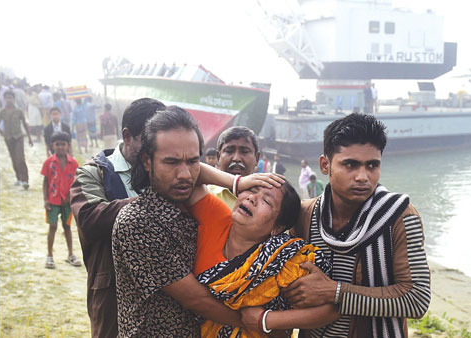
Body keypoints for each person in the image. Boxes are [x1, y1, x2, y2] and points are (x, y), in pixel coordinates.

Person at [268, 113, 431, 338]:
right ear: (325, 165)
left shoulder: (399, 216)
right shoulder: (304, 215)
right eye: (350, 165)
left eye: (372, 165)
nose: (363, 176)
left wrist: (335, 292)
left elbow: (417, 300)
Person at [113, 106, 245, 337]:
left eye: (192, 161)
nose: (184, 174)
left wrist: (236, 184)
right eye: (171, 162)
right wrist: (263, 323)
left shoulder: (192, 203)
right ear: (147, 161)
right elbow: (196, 300)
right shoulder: (137, 222)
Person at [188, 177, 338, 337]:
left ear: (277, 228)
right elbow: (189, 174)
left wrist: (266, 320)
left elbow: (332, 310)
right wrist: (237, 182)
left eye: (266, 201)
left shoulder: (283, 257)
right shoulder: (216, 219)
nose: (252, 198)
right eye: (251, 190)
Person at [70, 98, 166, 338]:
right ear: (127, 135)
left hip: (163, 294)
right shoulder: (94, 173)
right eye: (148, 144)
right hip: (112, 294)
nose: (153, 153)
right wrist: (153, 203)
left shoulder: (164, 173)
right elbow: (90, 220)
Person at [41, 131, 82, 269]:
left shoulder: (74, 163)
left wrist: (71, 197)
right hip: (53, 200)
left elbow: (77, 183)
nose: (60, 147)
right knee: (52, 226)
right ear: (52, 145)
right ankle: (50, 255)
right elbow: (46, 181)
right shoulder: (49, 162)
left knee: (67, 227)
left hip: (67, 202)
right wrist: (46, 199)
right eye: (57, 144)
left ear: (68, 145)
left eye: (63, 144)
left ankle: (70, 254)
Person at [209, 126, 261, 209]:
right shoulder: (205, 195)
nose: (236, 158)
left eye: (245, 152)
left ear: (257, 158)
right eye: (229, 151)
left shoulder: (264, 201)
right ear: (218, 157)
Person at [0, 90, 34, 189]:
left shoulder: (18, 111)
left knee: (20, 159)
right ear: (4, 99)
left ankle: (25, 180)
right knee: (13, 158)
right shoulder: (1, 112)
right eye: (7, 98)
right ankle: (18, 178)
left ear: (14, 99)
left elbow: (25, 124)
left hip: (18, 137)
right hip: (8, 138)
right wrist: (3, 134)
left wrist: (29, 138)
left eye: (11, 98)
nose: (9, 100)